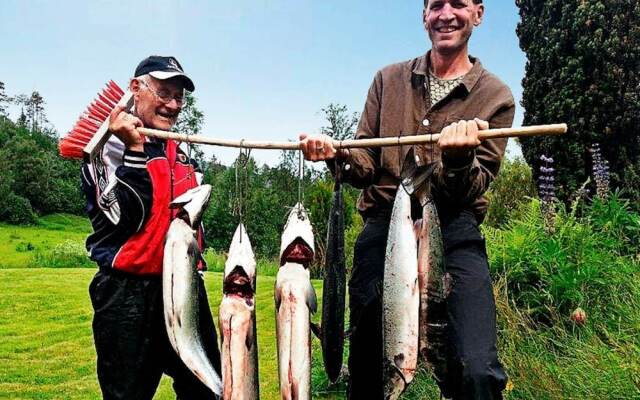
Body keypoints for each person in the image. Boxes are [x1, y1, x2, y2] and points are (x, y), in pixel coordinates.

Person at [300, 1, 515, 399]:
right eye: (436, 5)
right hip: (384, 227)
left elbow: (475, 185)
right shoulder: (387, 80)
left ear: (479, 14)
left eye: (459, 4)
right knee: (367, 364)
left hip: (453, 231)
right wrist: (338, 155)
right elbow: (364, 163)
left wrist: (458, 160)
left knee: (477, 369)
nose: (446, 14)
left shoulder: (497, 96)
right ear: (424, 16)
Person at [81, 56, 221, 400]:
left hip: (185, 286)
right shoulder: (103, 150)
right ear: (135, 88)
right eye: (163, 93)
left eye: (179, 97)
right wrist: (134, 149)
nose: (173, 105)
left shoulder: (180, 151)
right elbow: (127, 218)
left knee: (209, 390)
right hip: (127, 295)